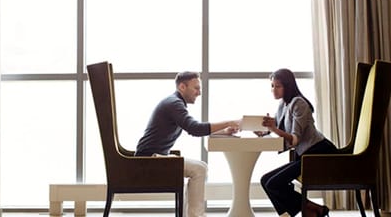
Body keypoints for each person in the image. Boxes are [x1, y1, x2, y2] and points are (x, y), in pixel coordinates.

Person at [135, 71, 240, 217]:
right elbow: (195, 128)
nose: (199, 93)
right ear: (182, 87)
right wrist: (227, 122)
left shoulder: (174, 103)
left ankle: (191, 215)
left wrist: (224, 131)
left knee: (201, 167)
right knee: (199, 169)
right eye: (196, 88)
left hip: (153, 157)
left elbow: (193, 129)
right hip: (149, 160)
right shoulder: (174, 104)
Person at [257, 68, 338, 217]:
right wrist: (265, 131)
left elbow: (294, 139)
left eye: (278, 86)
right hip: (305, 155)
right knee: (265, 180)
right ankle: (313, 209)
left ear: (288, 86)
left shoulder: (299, 103)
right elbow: (280, 126)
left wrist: (273, 128)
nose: (273, 90)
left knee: (273, 184)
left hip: (319, 153)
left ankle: (307, 211)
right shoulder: (283, 104)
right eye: (272, 86)